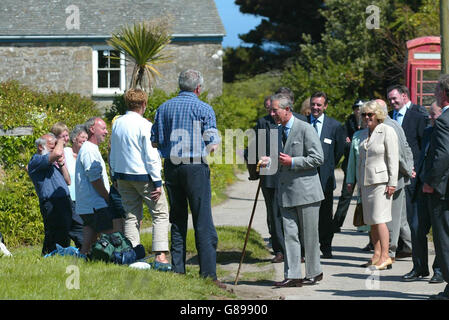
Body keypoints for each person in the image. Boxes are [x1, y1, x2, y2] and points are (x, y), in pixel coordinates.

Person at [151, 69, 225, 289]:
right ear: (198, 88)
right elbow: (212, 145)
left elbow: (155, 142)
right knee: (202, 219)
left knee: (178, 218)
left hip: (172, 166)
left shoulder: (163, 108)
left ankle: (178, 269)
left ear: (179, 85)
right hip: (194, 167)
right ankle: (208, 274)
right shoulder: (204, 108)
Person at [261, 93, 324, 287]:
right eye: (270, 110)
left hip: (306, 194)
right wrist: (269, 161)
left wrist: (293, 162)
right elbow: (280, 159)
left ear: (287, 109)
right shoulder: (277, 130)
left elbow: (318, 158)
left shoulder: (305, 129)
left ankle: (314, 272)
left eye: (275, 110)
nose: (271, 114)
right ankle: (293, 275)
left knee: (309, 237)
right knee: (289, 236)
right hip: (286, 194)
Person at [110, 88, 170, 266]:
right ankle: (160, 255)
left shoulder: (118, 123)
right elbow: (151, 156)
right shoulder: (145, 125)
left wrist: (113, 174)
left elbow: (113, 151)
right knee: (160, 213)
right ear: (144, 104)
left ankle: (132, 254)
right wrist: (158, 181)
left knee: (131, 215)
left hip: (122, 175)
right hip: (144, 176)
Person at [357, 100, 398, 270]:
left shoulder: (387, 130)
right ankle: (376, 254)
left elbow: (393, 158)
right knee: (372, 221)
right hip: (367, 183)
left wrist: (392, 182)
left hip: (382, 182)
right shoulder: (365, 132)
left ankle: (386, 256)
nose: (367, 117)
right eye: (364, 114)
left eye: (370, 114)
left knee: (380, 220)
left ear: (378, 115)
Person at [405, 101, 443, 283]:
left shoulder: (445, 130)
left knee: (438, 233)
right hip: (421, 186)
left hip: (437, 188)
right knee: (416, 227)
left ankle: (439, 270)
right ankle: (419, 267)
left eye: (433, 114)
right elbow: (422, 154)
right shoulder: (428, 131)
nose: (429, 117)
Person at [387, 84, 426, 258]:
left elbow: (421, 145)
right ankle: (402, 245)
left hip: (412, 172)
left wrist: (415, 169)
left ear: (404, 96)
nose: (392, 102)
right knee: (396, 212)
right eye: (390, 99)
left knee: (410, 211)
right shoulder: (389, 117)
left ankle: (412, 247)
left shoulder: (418, 116)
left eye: (394, 98)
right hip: (395, 174)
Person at [307, 91, 345, 258]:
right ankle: (306, 248)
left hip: (325, 179)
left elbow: (338, 151)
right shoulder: (303, 122)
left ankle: (326, 246)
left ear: (325, 106)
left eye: (319, 105)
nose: (315, 107)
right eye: (313, 104)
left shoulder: (335, 126)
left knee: (325, 215)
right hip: (305, 177)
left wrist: (328, 166)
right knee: (306, 214)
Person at [376, 99, 414, 265]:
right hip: (399, 177)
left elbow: (397, 155)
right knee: (401, 217)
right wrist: (409, 169)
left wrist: (407, 170)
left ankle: (389, 253)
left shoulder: (387, 127)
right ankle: (409, 247)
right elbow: (407, 148)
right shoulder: (394, 124)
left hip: (394, 178)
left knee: (390, 218)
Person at [422, 74, 449, 300]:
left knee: (444, 238)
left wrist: (431, 182)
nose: (434, 94)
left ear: (444, 94)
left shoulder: (444, 120)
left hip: (444, 191)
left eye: (437, 90)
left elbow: (442, 155)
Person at [28, 133, 72, 255]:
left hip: (64, 201)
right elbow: (57, 153)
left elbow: (68, 181)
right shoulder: (36, 160)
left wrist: (62, 164)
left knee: (65, 233)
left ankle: (63, 254)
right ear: (41, 147)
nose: (55, 149)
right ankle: (48, 256)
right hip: (51, 203)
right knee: (54, 234)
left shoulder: (52, 163)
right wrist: (60, 141)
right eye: (51, 146)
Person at [75, 117, 113, 256]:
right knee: (112, 235)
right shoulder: (89, 150)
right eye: (103, 128)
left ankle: (83, 256)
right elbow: (94, 179)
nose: (106, 132)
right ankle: (115, 258)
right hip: (95, 204)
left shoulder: (89, 149)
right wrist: (106, 196)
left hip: (89, 205)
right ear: (92, 129)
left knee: (90, 232)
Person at [51, 122, 85, 249]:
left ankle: (80, 249)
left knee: (76, 225)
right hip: (66, 195)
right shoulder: (58, 153)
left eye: (67, 136)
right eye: (63, 136)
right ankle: (82, 250)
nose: (66, 139)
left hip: (76, 195)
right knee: (74, 226)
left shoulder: (69, 152)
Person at [333, 99, 363, 233]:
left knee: (364, 197)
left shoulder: (369, 122)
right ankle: (336, 223)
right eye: (356, 108)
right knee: (346, 195)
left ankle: (363, 225)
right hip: (350, 165)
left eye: (361, 108)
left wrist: (352, 143)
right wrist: (352, 144)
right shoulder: (348, 122)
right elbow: (344, 143)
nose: (358, 110)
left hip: (364, 166)